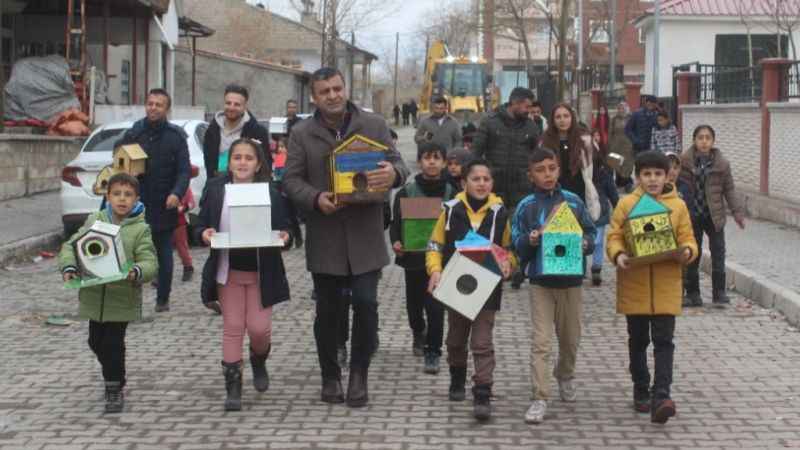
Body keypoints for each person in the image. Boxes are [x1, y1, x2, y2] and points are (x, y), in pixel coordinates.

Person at [283, 67, 409, 408]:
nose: (333, 95)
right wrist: (315, 198)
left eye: (337, 88)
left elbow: (399, 164)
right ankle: (329, 376)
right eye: (325, 91)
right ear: (314, 96)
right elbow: (290, 180)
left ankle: (358, 374)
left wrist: (392, 173)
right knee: (328, 311)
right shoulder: (301, 133)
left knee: (366, 305)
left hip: (366, 235)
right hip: (325, 236)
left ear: (346, 88)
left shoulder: (374, 125)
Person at [195, 138, 292, 411]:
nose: (242, 163)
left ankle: (259, 359)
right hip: (229, 273)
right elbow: (200, 224)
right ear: (230, 162)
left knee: (259, 330)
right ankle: (233, 386)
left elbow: (287, 226)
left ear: (258, 163)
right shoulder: (216, 190)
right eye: (237, 157)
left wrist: (286, 235)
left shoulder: (271, 192)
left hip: (263, 274)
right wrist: (203, 233)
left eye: (249, 158)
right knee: (234, 328)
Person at [606, 150, 698, 424]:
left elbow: (689, 239)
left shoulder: (678, 206)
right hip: (635, 284)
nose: (653, 179)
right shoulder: (626, 205)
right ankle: (640, 387)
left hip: (667, 286)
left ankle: (662, 395)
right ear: (637, 177)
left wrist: (687, 252)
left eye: (658, 174)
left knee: (664, 342)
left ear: (668, 175)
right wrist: (618, 255)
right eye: (647, 174)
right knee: (638, 341)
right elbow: (614, 236)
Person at [59, 173, 157, 413]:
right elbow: (70, 246)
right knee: (95, 341)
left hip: (122, 298)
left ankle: (113, 388)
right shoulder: (95, 220)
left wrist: (137, 271)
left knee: (112, 344)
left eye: (128, 195)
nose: (122, 199)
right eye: (117, 194)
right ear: (107, 196)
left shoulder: (140, 229)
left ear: (136, 199)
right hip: (94, 296)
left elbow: (149, 261)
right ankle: (116, 375)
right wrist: (69, 266)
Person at [511, 148, 596, 424]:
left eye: (551, 168)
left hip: (571, 281)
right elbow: (516, 241)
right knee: (541, 342)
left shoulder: (573, 202)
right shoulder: (526, 206)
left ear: (558, 170)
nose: (547, 174)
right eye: (540, 170)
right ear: (530, 175)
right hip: (541, 283)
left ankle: (565, 375)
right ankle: (540, 396)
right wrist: (531, 240)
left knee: (570, 340)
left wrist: (586, 244)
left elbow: (590, 232)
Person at [426, 159, 515, 421]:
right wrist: (435, 269)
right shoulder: (451, 210)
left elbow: (509, 249)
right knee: (455, 339)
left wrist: (509, 263)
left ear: (492, 183)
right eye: (476, 179)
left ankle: (483, 392)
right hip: (457, 288)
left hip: (487, 289)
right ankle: (456, 376)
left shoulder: (500, 213)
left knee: (482, 342)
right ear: (464, 183)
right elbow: (435, 244)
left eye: (486, 179)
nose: (481, 183)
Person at [115, 88, 190, 312]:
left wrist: (176, 193)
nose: (153, 108)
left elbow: (183, 171)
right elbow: (119, 158)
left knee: (163, 251)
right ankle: (129, 298)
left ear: (167, 109)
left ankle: (162, 298)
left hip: (164, 203)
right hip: (136, 203)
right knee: (130, 252)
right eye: (150, 103)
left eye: (158, 104)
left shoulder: (176, 137)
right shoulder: (135, 132)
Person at [390, 142, 455, 373]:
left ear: (444, 162)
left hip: (439, 262)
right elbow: (396, 225)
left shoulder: (453, 193)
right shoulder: (406, 192)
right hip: (413, 260)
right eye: (427, 158)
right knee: (414, 307)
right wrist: (396, 242)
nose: (431, 162)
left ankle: (433, 351)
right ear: (419, 162)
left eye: (437, 157)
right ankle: (418, 332)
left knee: (436, 308)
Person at [679, 125, 745, 308]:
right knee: (693, 254)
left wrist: (737, 213)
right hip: (692, 215)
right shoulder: (684, 162)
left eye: (708, 138)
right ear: (694, 140)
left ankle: (719, 293)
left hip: (714, 215)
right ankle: (692, 293)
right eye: (700, 137)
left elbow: (729, 189)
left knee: (718, 253)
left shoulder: (722, 164)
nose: (704, 141)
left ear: (713, 141)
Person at [472, 87, 539, 210]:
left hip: (522, 192)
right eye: (527, 107)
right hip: (494, 190)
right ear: (515, 103)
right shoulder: (489, 122)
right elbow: (475, 154)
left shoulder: (531, 127)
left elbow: (536, 157)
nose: (529, 111)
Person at [203, 84, 271, 179]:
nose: (231, 108)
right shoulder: (211, 130)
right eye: (228, 103)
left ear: (245, 106)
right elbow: (209, 165)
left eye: (237, 104)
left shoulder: (258, 132)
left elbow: (266, 166)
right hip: (217, 187)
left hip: (247, 188)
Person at [540, 103, 595, 206]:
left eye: (566, 116)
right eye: (558, 117)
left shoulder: (584, 140)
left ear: (572, 118)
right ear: (553, 120)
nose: (562, 120)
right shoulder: (545, 141)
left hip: (580, 193)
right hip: (554, 193)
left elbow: (594, 169)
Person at [589, 129, 619, 286]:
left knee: (598, 240)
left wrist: (618, 206)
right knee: (584, 239)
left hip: (600, 206)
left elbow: (611, 189)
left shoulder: (605, 168)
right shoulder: (579, 171)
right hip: (584, 207)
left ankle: (596, 268)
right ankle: (580, 267)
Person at [610, 102, 635, 191]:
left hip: (628, 144)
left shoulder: (631, 118)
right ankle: (619, 182)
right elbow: (610, 132)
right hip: (616, 145)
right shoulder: (614, 119)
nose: (621, 110)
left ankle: (628, 184)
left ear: (627, 109)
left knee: (628, 164)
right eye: (619, 108)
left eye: (623, 108)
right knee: (617, 163)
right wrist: (609, 145)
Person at [173, 188, 195, 282]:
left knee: (181, 246)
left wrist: (184, 207)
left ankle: (188, 267)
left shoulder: (184, 186)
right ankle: (159, 273)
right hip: (161, 220)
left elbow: (192, 203)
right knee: (161, 248)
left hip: (179, 221)